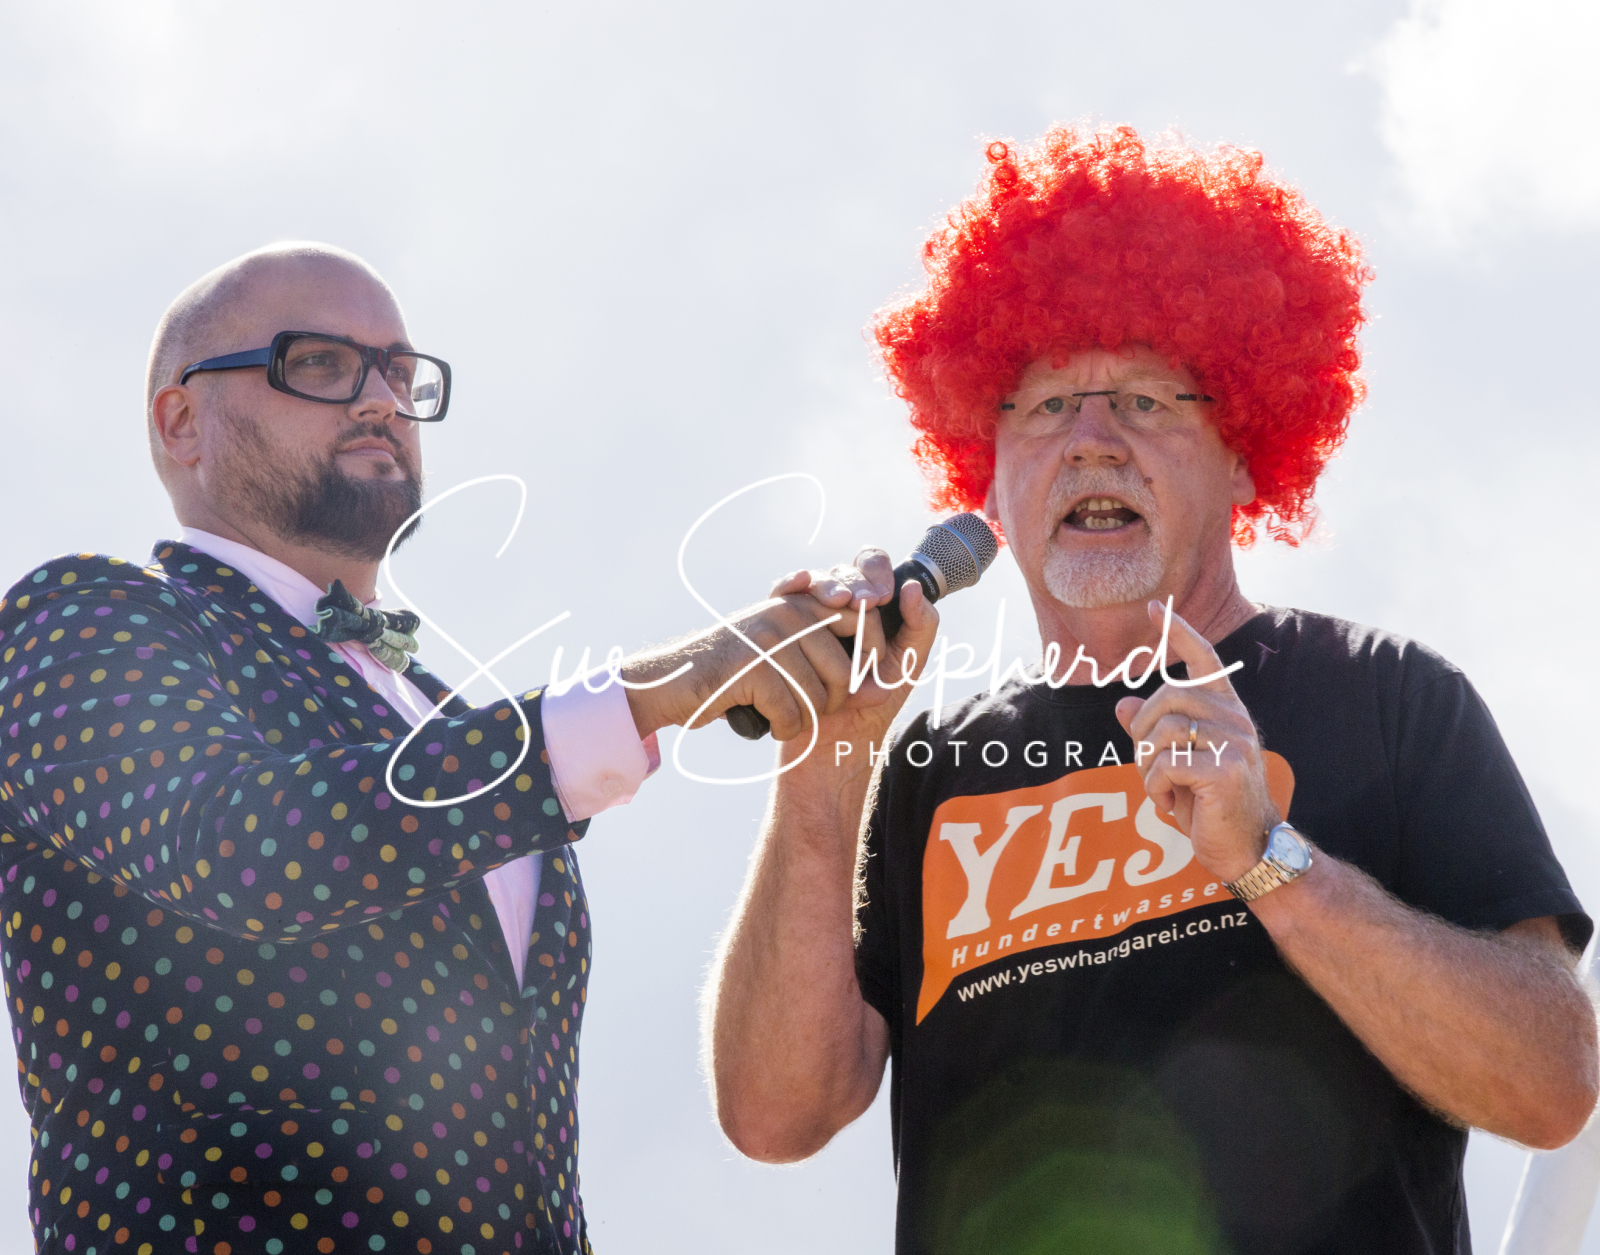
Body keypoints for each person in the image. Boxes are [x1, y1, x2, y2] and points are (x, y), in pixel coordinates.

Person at [704, 126, 1599, 1254]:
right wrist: (822, 768)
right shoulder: (929, 773)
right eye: (1043, 405)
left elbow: (1550, 1081)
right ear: (988, 477)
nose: (1091, 441)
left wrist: (1267, 860)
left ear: (1244, 451)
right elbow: (774, 1117)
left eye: (1145, 399)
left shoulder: (1389, 698)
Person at [0, 242, 889, 1255]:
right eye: (321, 363)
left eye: (399, 373)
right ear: (180, 420)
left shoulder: (435, 707)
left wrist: (829, 729)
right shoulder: (86, 615)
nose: (380, 399)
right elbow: (241, 848)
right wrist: (659, 690)